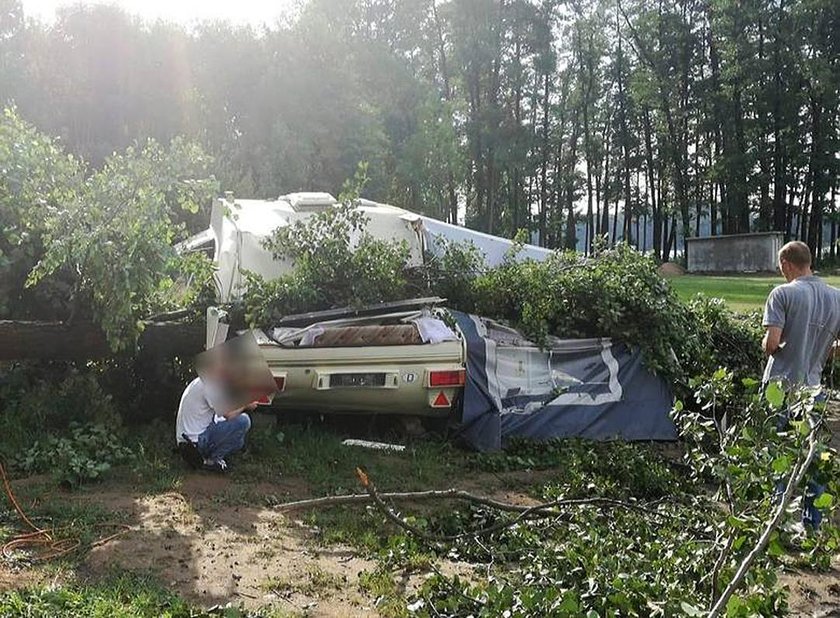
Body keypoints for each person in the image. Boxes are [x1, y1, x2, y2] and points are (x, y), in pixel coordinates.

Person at [761, 240, 840, 528]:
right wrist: (822, 348)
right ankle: (812, 524)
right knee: (811, 456)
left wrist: (768, 345)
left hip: (780, 387)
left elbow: (772, 343)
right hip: (813, 388)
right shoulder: (836, 297)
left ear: (786, 263)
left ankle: (776, 522)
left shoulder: (782, 293)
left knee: (777, 453)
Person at [175, 375, 255, 473]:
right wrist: (246, 404)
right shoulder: (210, 386)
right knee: (244, 421)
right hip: (195, 442)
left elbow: (219, 415)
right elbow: (228, 414)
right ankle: (213, 461)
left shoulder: (203, 381)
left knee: (239, 442)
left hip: (186, 440)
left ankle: (202, 457)